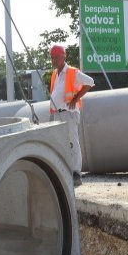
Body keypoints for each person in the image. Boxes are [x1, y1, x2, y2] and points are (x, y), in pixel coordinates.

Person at [49, 45, 94, 187]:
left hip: (69, 113)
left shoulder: (72, 72)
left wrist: (75, 99)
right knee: (61, 144)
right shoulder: (55, 74)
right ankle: (65, 172)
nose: (54, 60)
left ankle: (76, 173)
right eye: (52, 58)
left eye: (56, 57)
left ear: (63, 57)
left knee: (73, 143)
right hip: (57, 114)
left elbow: (90, 82)